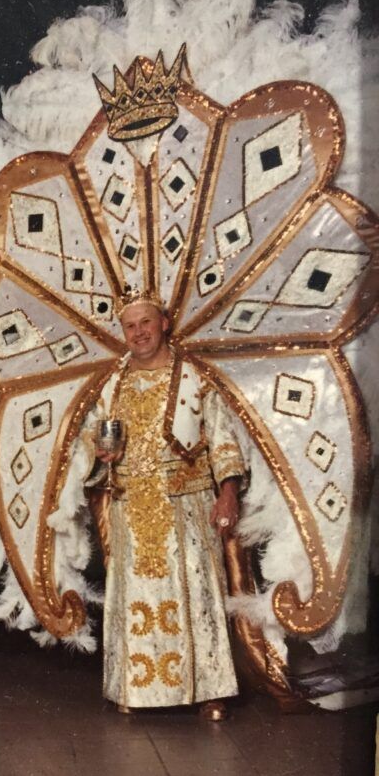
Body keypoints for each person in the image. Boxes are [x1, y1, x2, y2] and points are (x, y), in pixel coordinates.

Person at [84, 292, 245, 721]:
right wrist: (99, 454)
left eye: (146, 322)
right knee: (135, 595)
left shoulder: (196, 377)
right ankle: (136, 689)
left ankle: (210, 690)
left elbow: (223, 439)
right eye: (130, 325)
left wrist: (228, 492)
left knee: (199, 594)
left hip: (188, 504)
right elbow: (91, 439)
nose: (139, 333)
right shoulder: (111, 384)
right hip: (131, 506)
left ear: (165, 323)